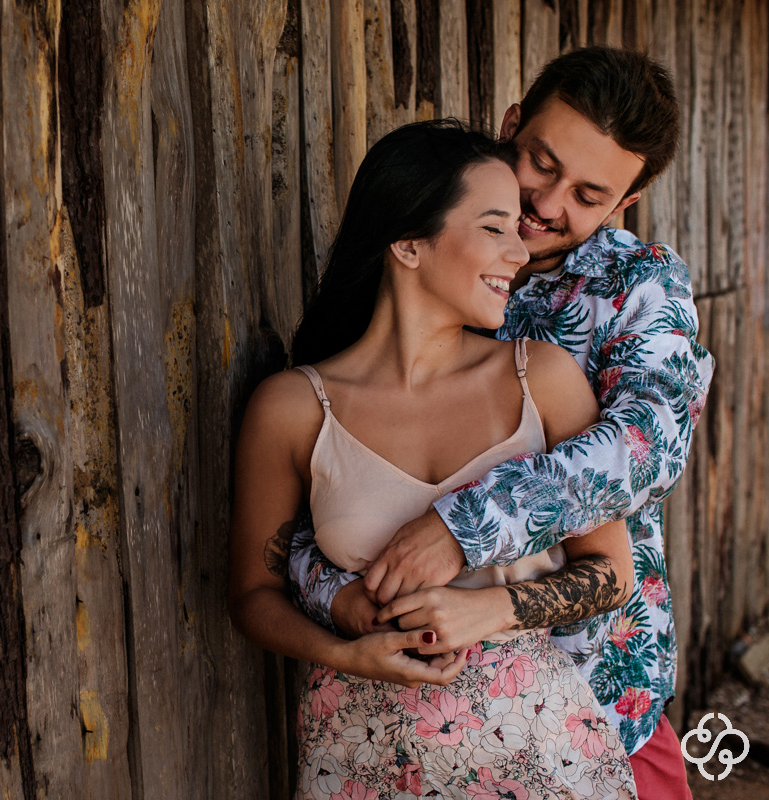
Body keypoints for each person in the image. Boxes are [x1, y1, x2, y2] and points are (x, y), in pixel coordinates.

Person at [290, 47, 713, 800]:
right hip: (412, 723)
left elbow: (644, 451)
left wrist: (466, 527)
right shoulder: (420, 256)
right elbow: (326, 481)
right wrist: (345, 596)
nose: (544, 203)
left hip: (594, 691)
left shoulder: (640, 290)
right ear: (512, 123)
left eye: (588, 194)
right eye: (540, 162)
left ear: (627, 200)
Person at [230, 119, 638, 798]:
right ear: (409, 242)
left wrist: (490, 611)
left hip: (541, 753)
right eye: (494, 227)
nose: (520, 251)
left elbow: (613, 574)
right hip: (362, 757)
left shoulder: (542, 380)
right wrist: (345, 651)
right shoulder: (294, 408)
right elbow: (253, 594)